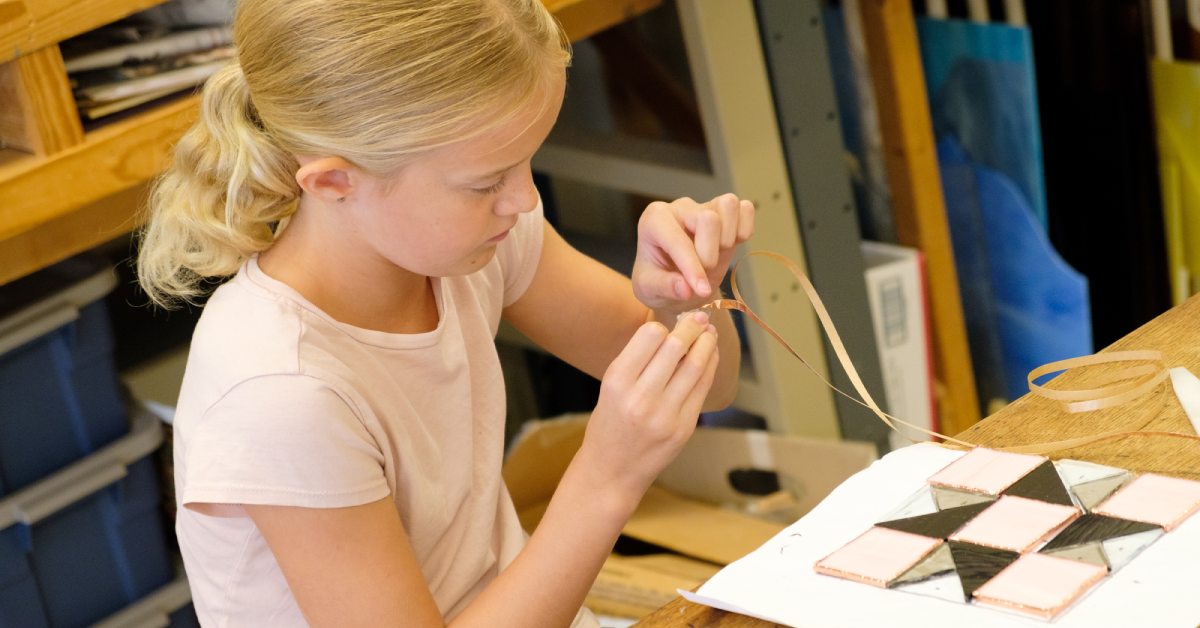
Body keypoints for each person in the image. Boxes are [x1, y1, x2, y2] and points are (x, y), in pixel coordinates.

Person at [136, 0, 755, 625]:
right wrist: (608, 476)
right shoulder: (280, 394)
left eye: (526, 162)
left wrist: (685, 294)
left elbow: (712, 388)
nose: (523, 199)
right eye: (487, 182)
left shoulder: (473, 243)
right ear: (332, 183)